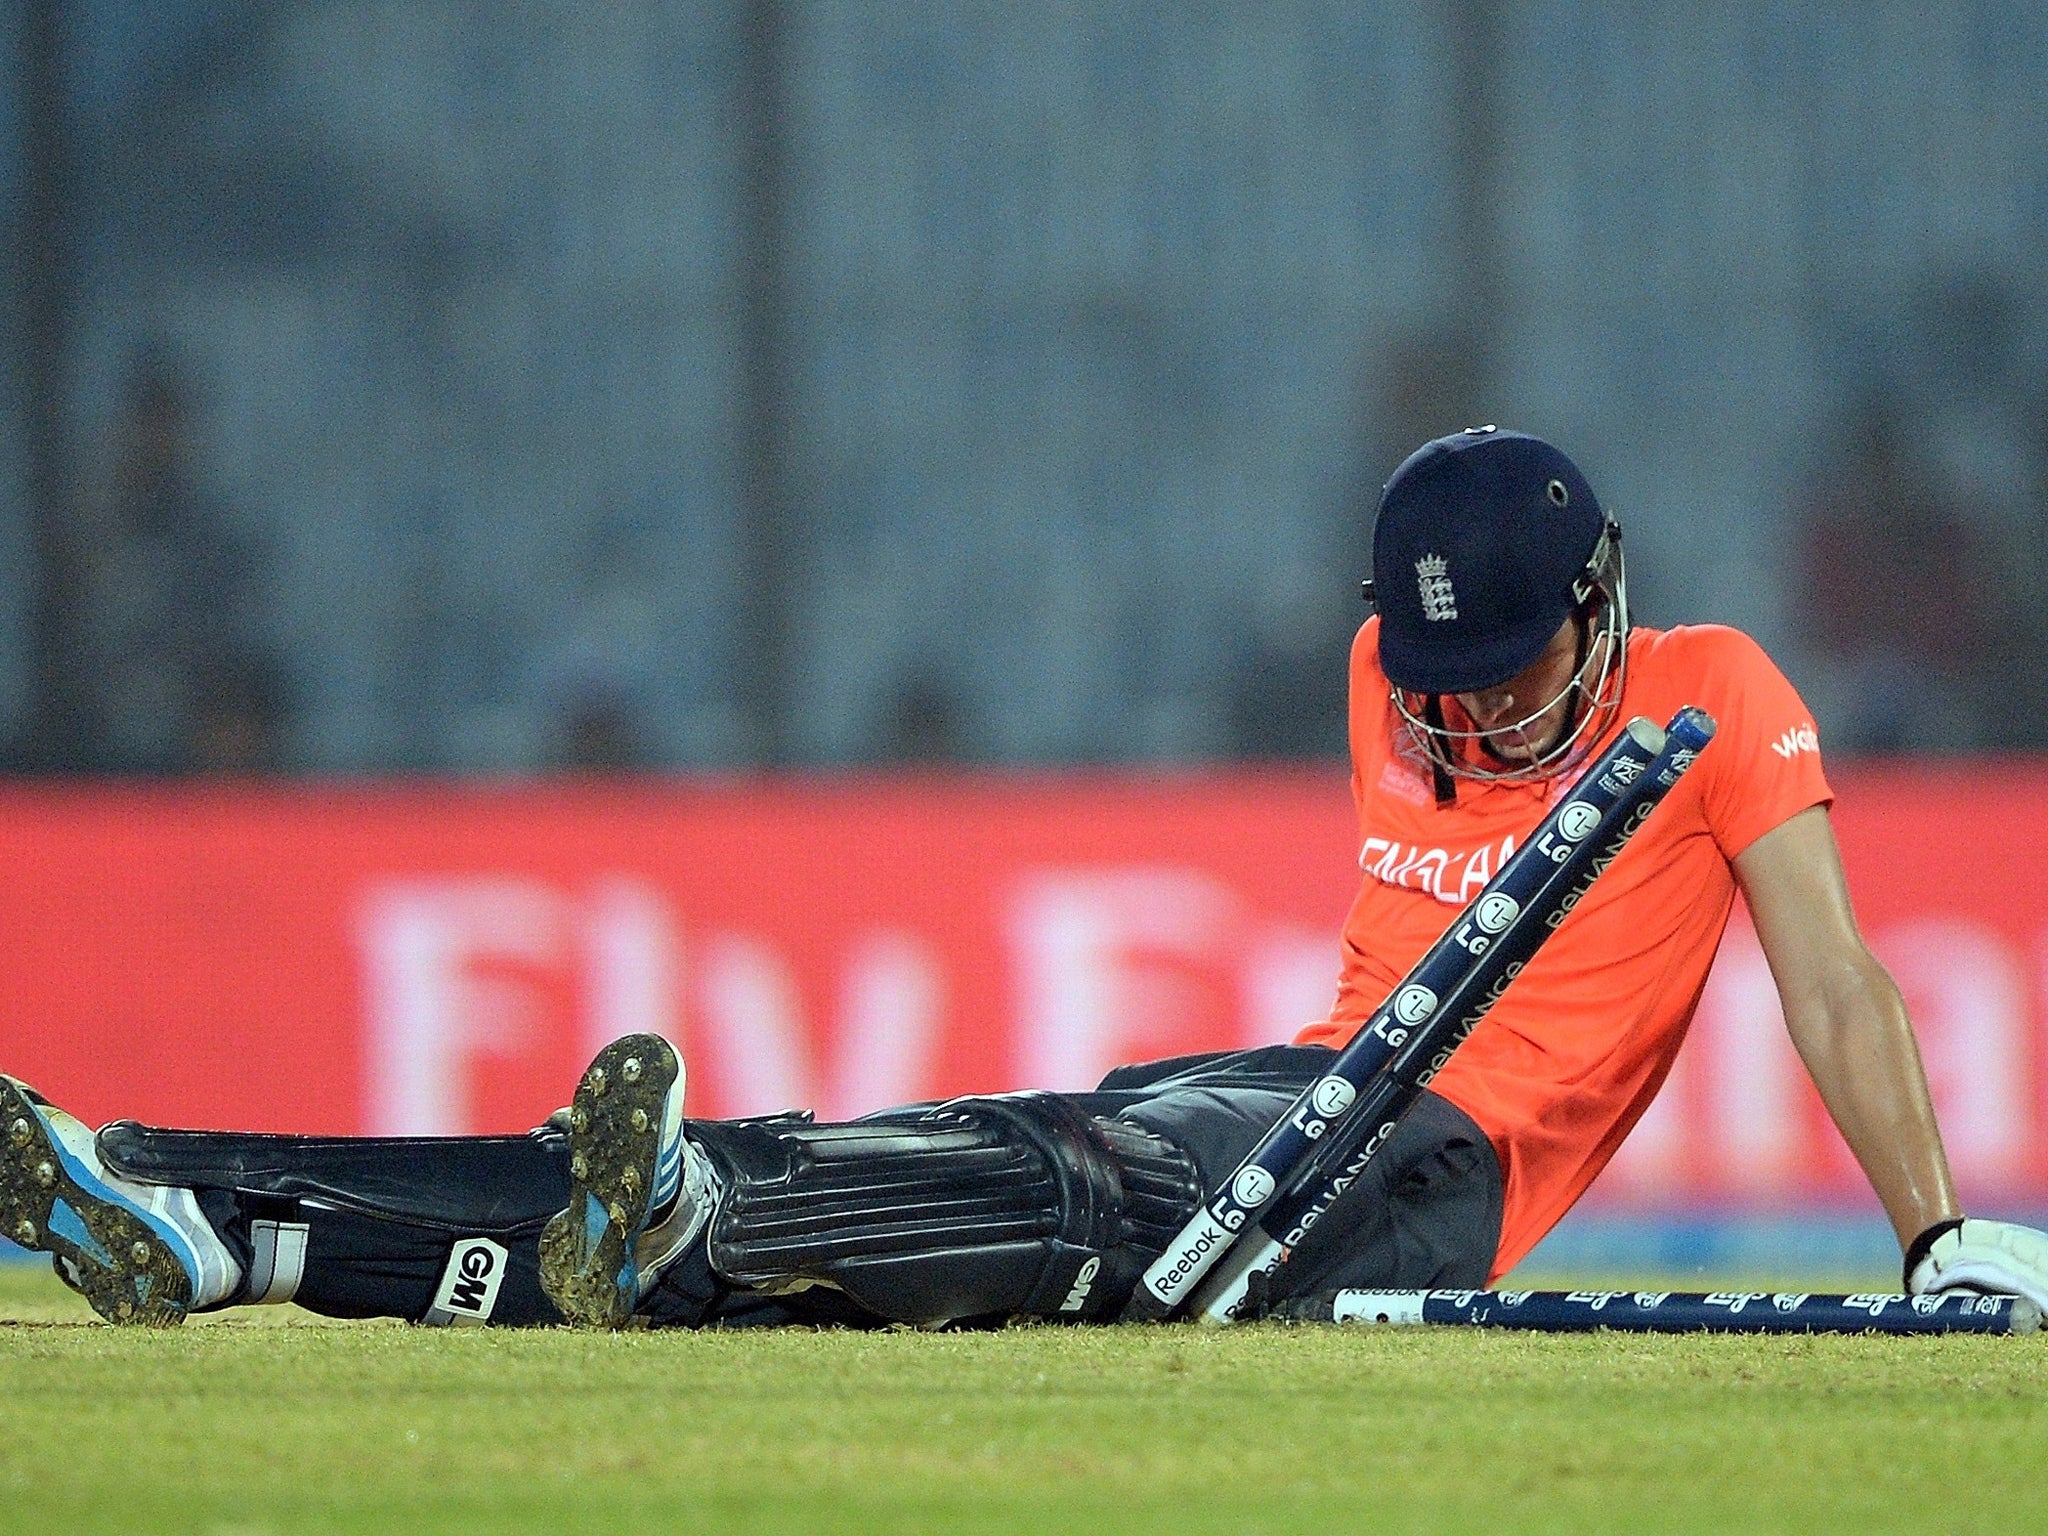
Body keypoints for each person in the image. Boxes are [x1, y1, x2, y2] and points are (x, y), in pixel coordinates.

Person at [6, 428, 2047, 1329]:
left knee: (1042, 1181)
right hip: (1302, 1101)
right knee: (843, 1216)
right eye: (1447, 690)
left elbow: (1838, 986)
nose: (1472, 726)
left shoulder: (1713, 694)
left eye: (1508, 686)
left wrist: (1939, 1238)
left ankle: (707, 1203)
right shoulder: (1381, 672)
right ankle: (216, 1218)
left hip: (1438, 1176)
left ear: (1601, 608)